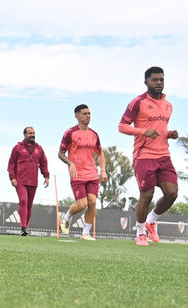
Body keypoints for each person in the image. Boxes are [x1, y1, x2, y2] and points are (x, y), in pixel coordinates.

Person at [120, 66, 179, 246]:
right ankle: (140, 232)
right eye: (155, 80)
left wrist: (169, 134)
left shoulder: (169, 105)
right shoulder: (138, 102)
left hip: (164, 155)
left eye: (161, 79)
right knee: (147, 194)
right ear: (146, 82)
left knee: (172, 193)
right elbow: (122, 126)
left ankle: (151, 221)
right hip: (144, 155)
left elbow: (160, 130)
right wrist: (144, 132)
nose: (159, 83)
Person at [58, 105, 107, 241]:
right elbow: (60, 154)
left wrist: (103, 170)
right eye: (84, 114)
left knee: (92, 202)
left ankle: (85, 233)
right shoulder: (70, 133)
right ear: (77, 116)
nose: (88, 116)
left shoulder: (94, 134)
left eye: (89, 113)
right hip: (77, 174)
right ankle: (66, 217)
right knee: (82, 205)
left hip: (92, 173)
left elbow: (100, 153)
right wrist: (71, 163)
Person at [7, 126, 49, 236]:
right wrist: (12, 178)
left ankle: (25, 228)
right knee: (23, 201)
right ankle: (23, 227)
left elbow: (43, 163)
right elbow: (11, 164)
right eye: (30, 133)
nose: (32, 135)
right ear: (25, 135)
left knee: (29, 205)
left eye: (33, 133)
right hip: (20, 180)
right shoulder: (17, 148)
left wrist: (46, 176)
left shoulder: (39, 149)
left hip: (33, 181)